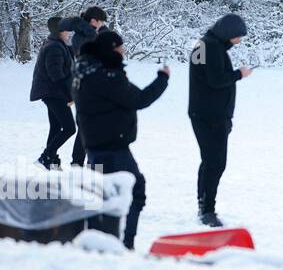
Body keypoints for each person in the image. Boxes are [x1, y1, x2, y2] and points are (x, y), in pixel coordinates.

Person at [74, 31, 169, 250]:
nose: (123, 51)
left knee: (101, 196)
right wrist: (162, 78)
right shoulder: (107, 76)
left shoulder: (84, 71)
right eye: (119, 48)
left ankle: (101, 241)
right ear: (110, 49)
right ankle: (123, 243)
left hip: (95, 145)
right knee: (133, 191)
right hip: (112, 148)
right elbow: (139, 99)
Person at [188, 13, 251, 227]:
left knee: (209, 161)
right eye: (237, 37)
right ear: (227, 33)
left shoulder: (203, 44)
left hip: (205, 113)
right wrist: (239, 74)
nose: (238, 41)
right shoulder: (212, 47)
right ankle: (207, 210)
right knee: (216, 163)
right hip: (210, 115)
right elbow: (216, 80)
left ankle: (203, 204)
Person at [31, 18, 79, 169]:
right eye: (66, 30)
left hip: (52, 92)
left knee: (56, 127)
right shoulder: (54, 47)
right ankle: (45, 157)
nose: (69, 33)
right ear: (58, 31)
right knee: (70, 128)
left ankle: (51, 161)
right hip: (53, 93)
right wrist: (70, 95)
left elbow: (72, 55)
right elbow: (56, 75)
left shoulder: (58, 45)